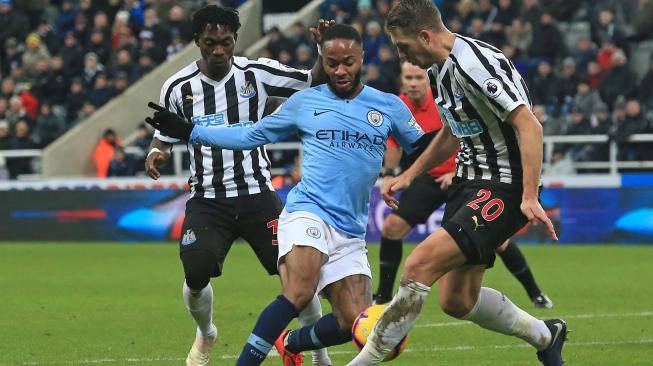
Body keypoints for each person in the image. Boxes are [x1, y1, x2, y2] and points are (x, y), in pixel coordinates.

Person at [145, 23, 428, 366]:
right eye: (332, 62)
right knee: (299, 290)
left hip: (351, 228)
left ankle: (291, 341)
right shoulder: (304, 102)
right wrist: (192, 131)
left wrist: (408, 175)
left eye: (348, 62)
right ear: (323, 59)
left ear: (362, 59)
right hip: (307, 211)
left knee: (351, 322)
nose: (340, 70)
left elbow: (427, 148)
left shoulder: (389, 106)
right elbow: (250, 135)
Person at [347, 1, 567, 366]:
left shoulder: (474, 64)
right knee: (457, 301)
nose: (402, 55)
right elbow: (453, 131)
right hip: (468, 181)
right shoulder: (436, 68)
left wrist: (529, 195)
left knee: (418, 265)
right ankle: (547, 335)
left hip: (503, 187)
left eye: (403, 46)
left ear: (424, 35)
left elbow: (530, 124)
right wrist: (409, 174)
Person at [143, 5, 333, 366]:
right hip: (208, 200)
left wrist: (323, 51)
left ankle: (320, 357)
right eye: (210, 42)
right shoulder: (177, 87)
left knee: (300, 275)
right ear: (197, 40)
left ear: (235, 40)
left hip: (257, 194)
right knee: (195, 275)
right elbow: (163, 134)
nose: (218, 50)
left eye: (225, 42)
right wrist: (156, 152)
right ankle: (206, 332)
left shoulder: (258, 73)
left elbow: (313, 81)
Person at [374, 61, 553, 309]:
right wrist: (393, 174)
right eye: (408, 78)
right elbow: (393, 143)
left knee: (499, 242)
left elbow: (461, 135)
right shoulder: (399, 106)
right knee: (392, 228)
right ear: (401, 81)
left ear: (427, 81)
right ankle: (382, 296)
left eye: (418, 78)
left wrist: (454, 172)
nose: (413, 83)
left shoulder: (443, 99)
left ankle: (535, 292)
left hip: (463, 176)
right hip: (428, 177)